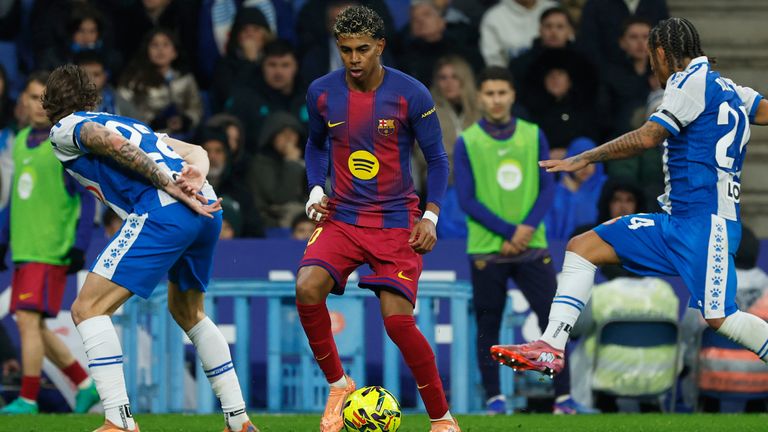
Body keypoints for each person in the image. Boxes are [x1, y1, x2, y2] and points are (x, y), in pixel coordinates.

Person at [490, 18, 768, 387]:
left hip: (706, 225)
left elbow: (648, 137)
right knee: (583, 247)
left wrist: (586, 157)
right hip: (678, 222)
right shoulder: (731, 89)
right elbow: (763, 111)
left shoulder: (687, 81)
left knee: (723, 318)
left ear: (660, 54)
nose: (654, 72)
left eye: (654, 63)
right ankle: (551, 346)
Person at [42, 64, 258, 432]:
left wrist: (168, 184)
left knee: (88, 308)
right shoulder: (131, 123)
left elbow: (106, 142)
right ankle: (238, 420)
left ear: (51, 105)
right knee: (189, 312)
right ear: (93, 97)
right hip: (205, 207)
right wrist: (198, 175)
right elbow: (197, 150)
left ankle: (118, 421)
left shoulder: (64, 127)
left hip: (165, 209)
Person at [297, 6, 458, 432]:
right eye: (346, 49)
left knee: (398, 324)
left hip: (395, 221)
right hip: (343, 216)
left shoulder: (411, 94)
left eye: (362, 49)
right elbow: (314, 146)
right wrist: (316, 188)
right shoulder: (321, 92)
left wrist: (431, 216)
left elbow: (438, 160)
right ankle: (338, 384)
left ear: (380, 47)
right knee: (306, 287)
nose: (353, 58)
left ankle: (441, 418)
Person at [454, 66, 591, 414]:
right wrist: (511, 232)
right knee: (488, 324)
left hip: (530, 245)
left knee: (554, 320)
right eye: (489, 93)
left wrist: (525, 229)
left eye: (502, 92)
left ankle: (563, 398)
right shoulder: (467, 140)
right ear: (480, 97)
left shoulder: (533, 134)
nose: (496, 100)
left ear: (512, 95)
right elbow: (467, 199)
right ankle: (494, 400)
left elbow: (547, 187)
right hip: (489, 248)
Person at [0, 71, 98, 415]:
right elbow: (15, 199)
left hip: (51, 249)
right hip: (25, 249)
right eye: (31, 96)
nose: (38, 104)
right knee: (34, 323)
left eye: (45, 98)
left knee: (26, 319)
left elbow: (87, 200)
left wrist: (79, 246)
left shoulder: (63, 144)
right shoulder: (21, 139)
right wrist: (3, 241)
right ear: (22, 102)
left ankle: (28, 399)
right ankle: (84, 384)